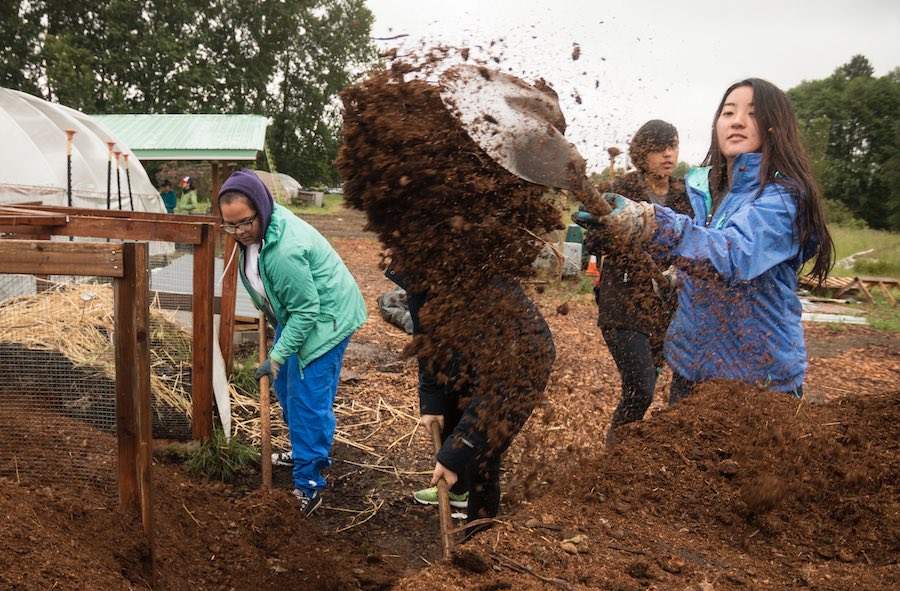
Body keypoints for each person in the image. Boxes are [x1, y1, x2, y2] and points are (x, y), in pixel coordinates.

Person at [579, 78, 833, 403]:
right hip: (691, 371)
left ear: (774, 127)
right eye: (728, 112)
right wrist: (678, 278)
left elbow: (733, 254)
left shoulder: (783, 197)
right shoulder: (705, 191)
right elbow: (701, 250)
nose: (737, 120)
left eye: (752, 113)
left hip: (757, 382)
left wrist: (649, 223)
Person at [216, 169, 367, 516]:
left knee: (307, 398)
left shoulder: (285, 250)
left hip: (326, 319)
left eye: (244, 223)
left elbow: (306, 311)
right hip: (300, 314)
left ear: (261, 209)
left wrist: (278, 353)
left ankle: (309, 482)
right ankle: (305, 448)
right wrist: (279, 352)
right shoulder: (255, 234)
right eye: (230, 225)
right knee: (285, 384)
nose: (238, 232)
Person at [386, 266, 555, 535]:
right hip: (467, 348)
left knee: (482, 454)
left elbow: (494, 399)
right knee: (454, 417)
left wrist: (453, 455)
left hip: (517, 363)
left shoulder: (496, 306)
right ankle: (458, 492)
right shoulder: (420, 268)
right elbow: (426, 340)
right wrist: (431, 401)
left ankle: (478, 539)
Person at [583, 120, 693, 443]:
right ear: (641, 154)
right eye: (659, 148)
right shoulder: (620, 190)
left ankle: (628, 456)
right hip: (623, 304)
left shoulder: (684, 195)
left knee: (659, 389)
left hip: (665, 306)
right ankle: (612, 459)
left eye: (672, 146)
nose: (668, 155)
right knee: (641, 388)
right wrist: (617, 234)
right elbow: (593, 241)